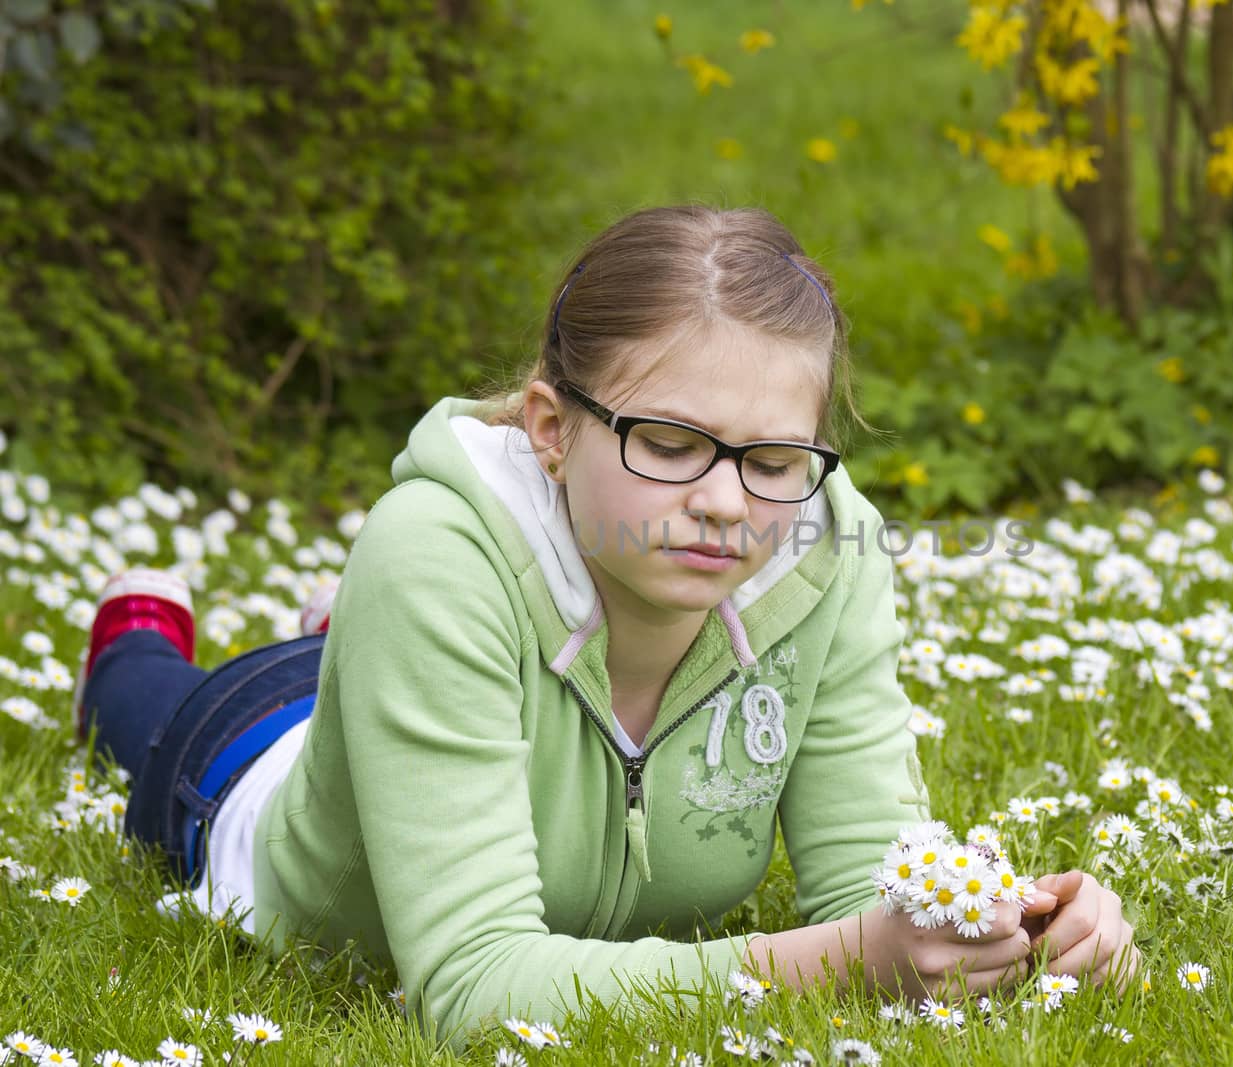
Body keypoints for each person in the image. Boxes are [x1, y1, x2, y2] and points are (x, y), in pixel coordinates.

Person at [75, 205, 1139, 1050]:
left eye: (771, 460)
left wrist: (1001, 930)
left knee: (400, 643)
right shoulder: (434, 552)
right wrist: (843, 962)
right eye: (672, 443)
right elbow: (477, 989)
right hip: (251, 752)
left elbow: (871, 879)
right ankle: (142, 628)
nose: (727, 502)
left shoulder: (819, 548)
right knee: (158, 709)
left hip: (449, 660)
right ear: (549, 427)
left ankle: (341, 635)